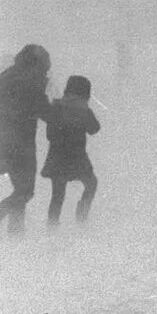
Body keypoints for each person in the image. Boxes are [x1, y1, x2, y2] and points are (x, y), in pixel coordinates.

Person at [0, 44, 52, 235]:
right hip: (21, 143)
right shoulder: (30, 83)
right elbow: (44, 111)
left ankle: (15, 234)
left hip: (3, 139)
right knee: (25, 191)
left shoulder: (7, 76)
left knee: (21, 189)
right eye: (44, 68)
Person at [41, 75, 100, 226]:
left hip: (57, 157)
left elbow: (49, 135)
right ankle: (81, 217)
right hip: (77, 157)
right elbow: (94, 128)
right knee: (91, 184)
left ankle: (52, 226)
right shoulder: (83, 111)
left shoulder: (57, 107)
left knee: (58, 195)